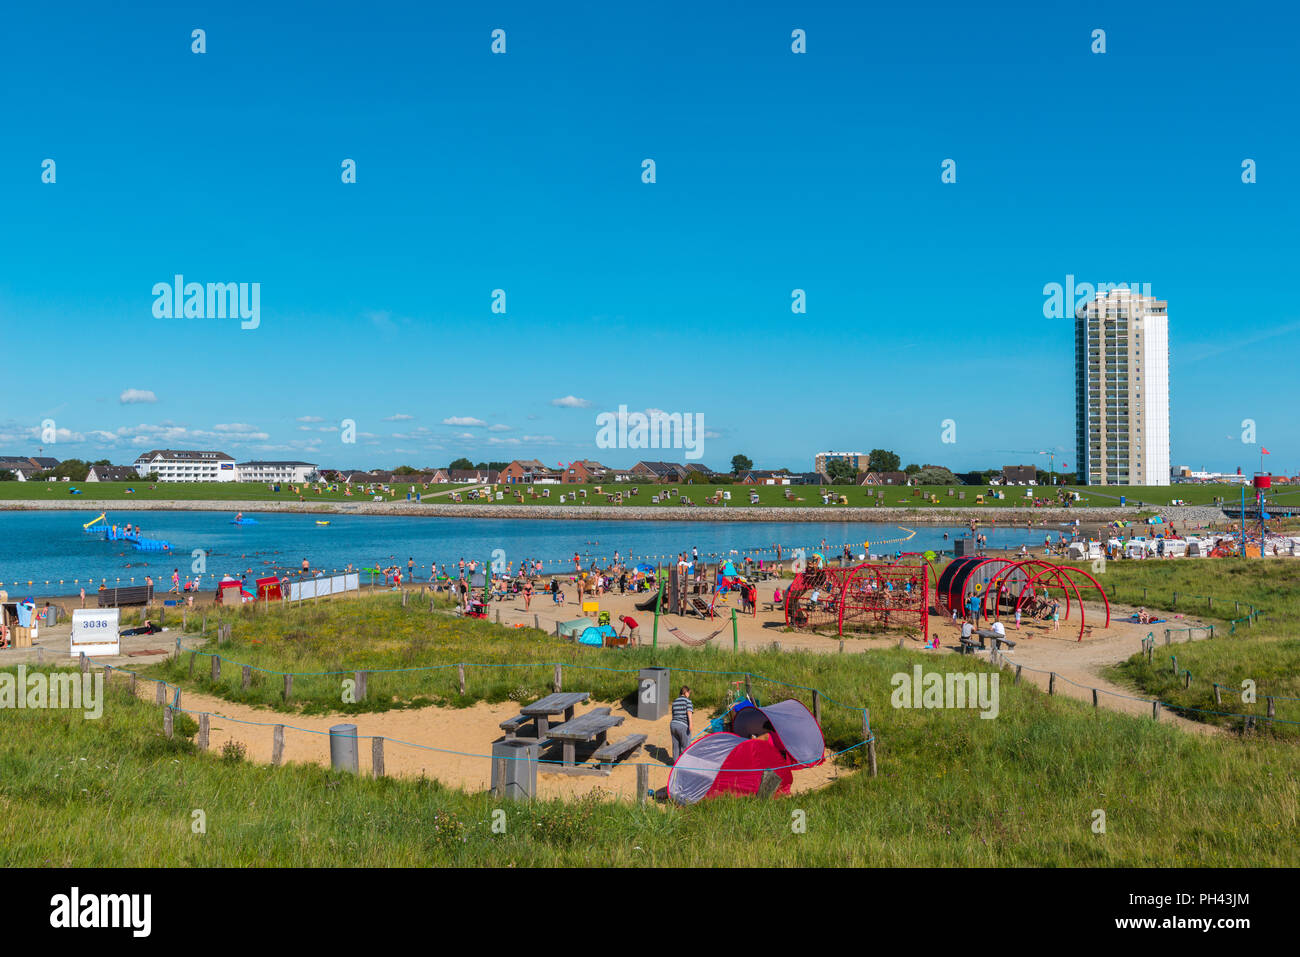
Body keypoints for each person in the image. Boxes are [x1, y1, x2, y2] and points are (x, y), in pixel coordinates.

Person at [670, 686, 694, 761]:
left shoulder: (675, 701)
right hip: (683, 725)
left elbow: (673, 714)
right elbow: (689, 712)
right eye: (689, 693)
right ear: (685, 692)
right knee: (685, 746)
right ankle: (683, 763)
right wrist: (690, 724)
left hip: (673, 724)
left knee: (676, 745)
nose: (689, 694)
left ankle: (675, 763)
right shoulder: (688, 701)